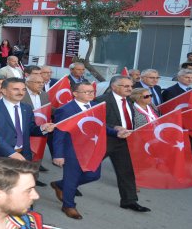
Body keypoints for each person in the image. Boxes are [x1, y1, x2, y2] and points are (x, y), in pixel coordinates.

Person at [51, 82, 131, 219]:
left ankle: (59, 184)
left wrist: (115, 133)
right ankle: (69, 206)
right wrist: (58, 154)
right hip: (72, 149)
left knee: (93, 175)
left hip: (92, 148)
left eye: (92, 91)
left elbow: (101, 126)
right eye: (86, 92)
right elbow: (59, 133)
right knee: (72, 178)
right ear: (75, 94)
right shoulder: (66, 110)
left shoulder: (96, 107)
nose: (90, 94)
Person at [94, 75, 150, 212]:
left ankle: (129, 201)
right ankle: (64, 186)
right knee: (88, 169)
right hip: (107, 140)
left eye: (131, 86)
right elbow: (96, 121)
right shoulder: (101, 100)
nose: (130, 88)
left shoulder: (129, 102)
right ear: (114, 87)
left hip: (125, 141)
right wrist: (115, 128)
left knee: (127, 171)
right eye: (125, 86)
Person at [0, 78, 55, 160]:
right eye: (16, 89)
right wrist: (11, 153)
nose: (21, 93)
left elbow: (30, 129)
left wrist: (42, 128)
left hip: (24, 155)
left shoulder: (27, 108)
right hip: (1, 158)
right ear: (4, 91)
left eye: (23, 89)